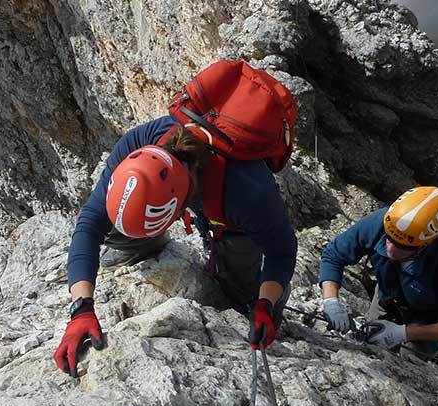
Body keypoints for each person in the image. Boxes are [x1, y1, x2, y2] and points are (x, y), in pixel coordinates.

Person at [53, 116, 298, 377]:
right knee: (115, 222)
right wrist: (81, 309)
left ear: (179, 210)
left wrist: (265, 304)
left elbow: (281, 250)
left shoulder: (246, 191)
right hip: (191, 186)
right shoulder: (136, 149)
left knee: (240, 290)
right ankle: (142, 244)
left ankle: (268, 296)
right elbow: (90, 224)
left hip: (229, 206)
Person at [317, 186, 438, 356]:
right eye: (389, 238)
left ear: (425, 244)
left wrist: (405, 333)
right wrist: (331, 302)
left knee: (408, 358)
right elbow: (334, 255)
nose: (391, 249)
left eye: (403, 246)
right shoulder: (382, 222)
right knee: (369, 343)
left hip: (427, 318)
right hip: (388, 294)